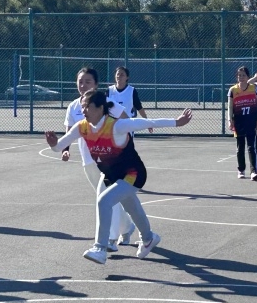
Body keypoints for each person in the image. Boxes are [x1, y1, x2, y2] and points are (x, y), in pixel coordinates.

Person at [45, 89, 192, 264]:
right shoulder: (82, 127)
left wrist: (176, 122)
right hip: (111, 174)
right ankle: (148, 238)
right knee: (132, 208)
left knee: (104, 200)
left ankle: (100, 248)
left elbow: (146, 122)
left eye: (87, 107)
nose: (83, 110)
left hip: (133, 173)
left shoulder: (116, 126)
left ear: (100, 108)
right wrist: (54, 144)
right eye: (82, 107)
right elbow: (59, 146)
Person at [63, 67, 134, 248]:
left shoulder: (106, 103)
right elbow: (69, 133)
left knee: (107, 198)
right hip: (89, 161)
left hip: (110, 160)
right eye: (80, 82)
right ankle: (127, 227)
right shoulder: (73, 107)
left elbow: (126, 120)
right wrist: (65, 149)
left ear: (96, 84)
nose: (83, 85)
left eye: (88, 82)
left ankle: (109, 239)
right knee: (106, 197)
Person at [227, 66, 257, 180]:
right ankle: (241, 170)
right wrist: (230, 120)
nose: (241, 77)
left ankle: (253, 171)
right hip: (239, 122)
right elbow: (230, 107)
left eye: (243, 75)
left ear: (247, 77)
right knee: (240, 147)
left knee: (251, 147)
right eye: (239, 75)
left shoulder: (253, 88)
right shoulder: (233, 90)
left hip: (250, 121)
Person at [108, 66, 152, 134]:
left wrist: (147, 122)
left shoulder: (131, 91)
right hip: (112, 127)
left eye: (122, 74)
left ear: (127, 77)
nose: (119, 76)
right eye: (118, 74)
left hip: (127, 126)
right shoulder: (109, 90)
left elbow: (139, 107)